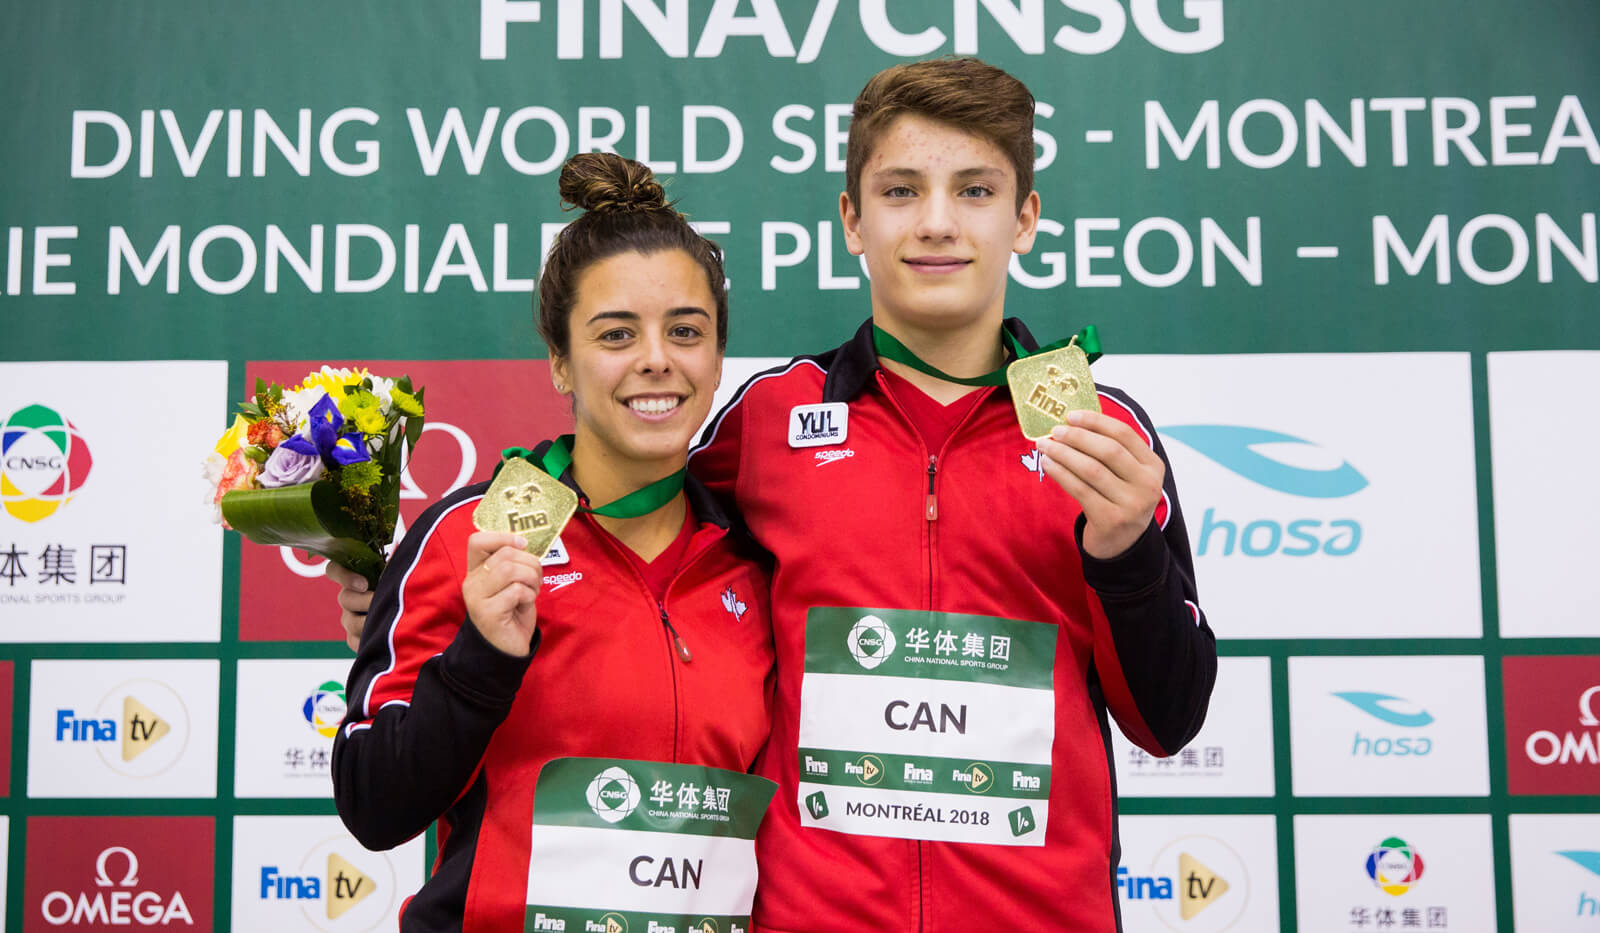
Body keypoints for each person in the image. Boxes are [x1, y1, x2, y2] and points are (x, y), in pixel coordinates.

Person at [334, 58, 1215, 933]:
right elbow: (623, 511)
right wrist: (425, 602)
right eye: (901, 191)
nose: (938, 223)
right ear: (851, 220)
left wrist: (1128, 554)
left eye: (976, 191)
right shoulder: (769, 421)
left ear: (1025, 218)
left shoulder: (1104, 440)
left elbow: (1169, 721)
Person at [331, 152, 775, 932]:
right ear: (561, 362)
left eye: (685, 331)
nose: (655, 359)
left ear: (716, 359)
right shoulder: (474, 535)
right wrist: (482, 659)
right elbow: (374, 801)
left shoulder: (754, 556)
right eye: (615, 333)